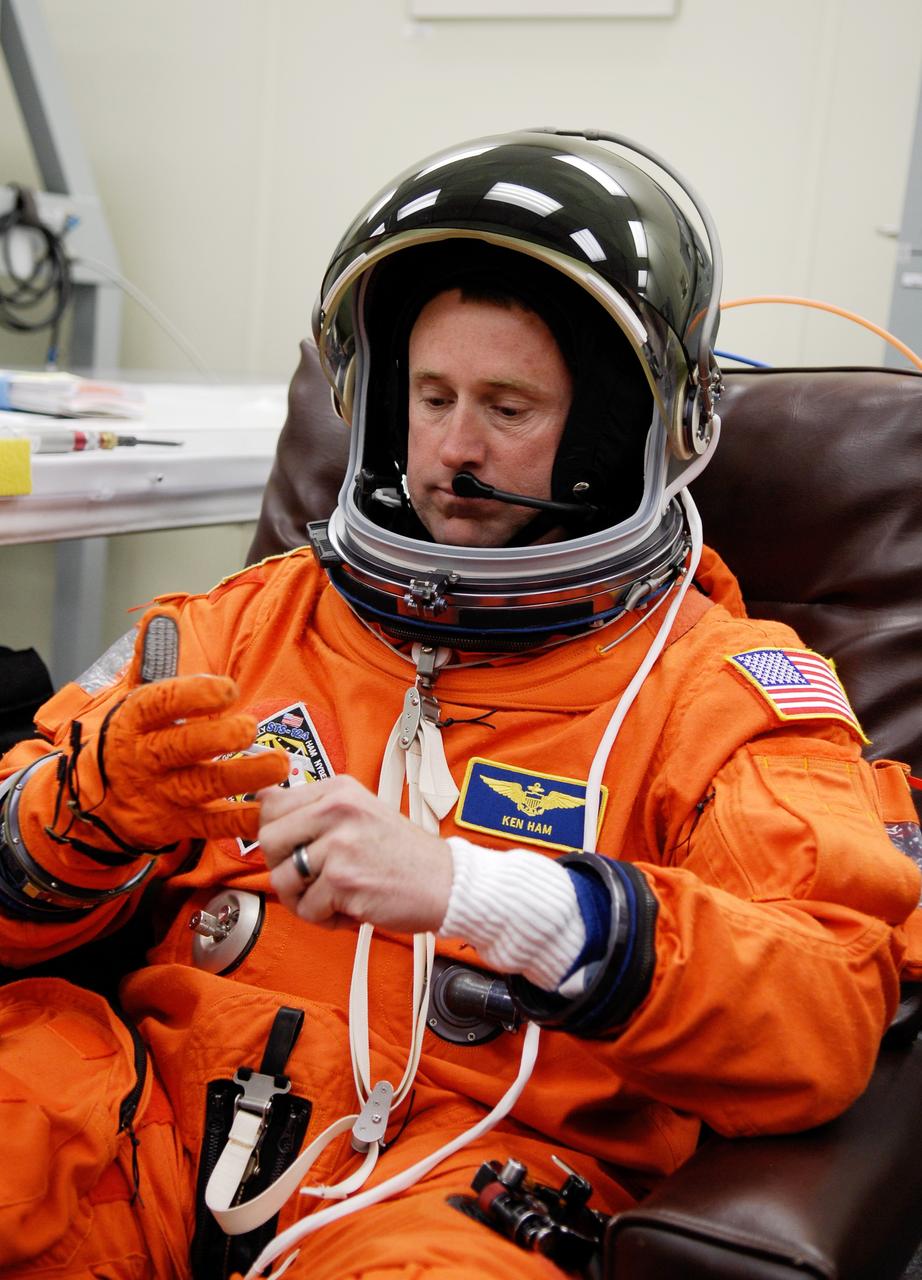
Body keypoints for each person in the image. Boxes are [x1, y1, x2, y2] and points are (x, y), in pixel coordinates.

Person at [0, 128, 919, 1280]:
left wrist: (475, 891)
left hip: (464, 1177)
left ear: (615, 430)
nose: (450, 448)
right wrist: (84, 813)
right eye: (428, 396)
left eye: (509, 406)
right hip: (142, 1123)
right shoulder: (243, 622)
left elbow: (819, 1010)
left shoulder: (719, 691)